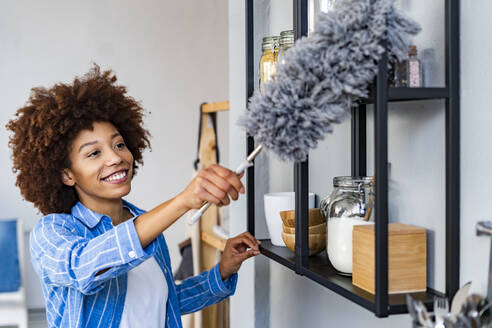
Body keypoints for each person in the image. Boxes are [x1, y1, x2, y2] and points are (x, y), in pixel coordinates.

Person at [6, 65, 261, 328]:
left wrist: (222, 270)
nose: (116, 158)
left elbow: (163, 301)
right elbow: (84, 268)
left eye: (119, 144)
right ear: (67, 175)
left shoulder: (143, 224)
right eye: (94, 153)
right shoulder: (52, 232)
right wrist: (183, 201)